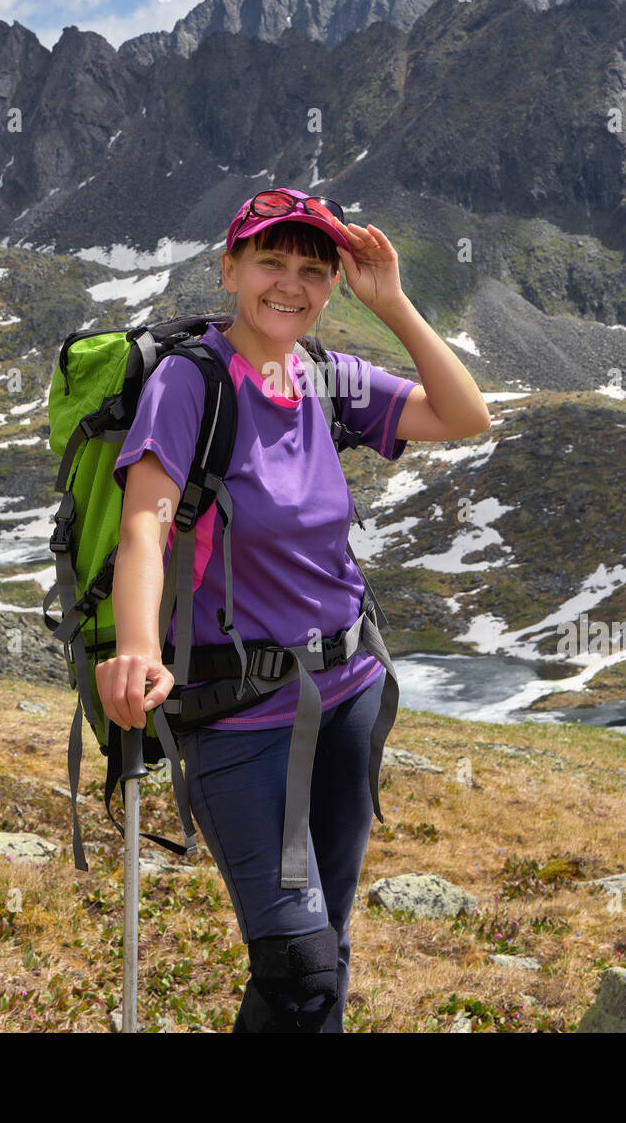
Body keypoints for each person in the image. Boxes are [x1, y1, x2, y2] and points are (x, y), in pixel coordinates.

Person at [98, 189, 491, 1032]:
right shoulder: (191, 382)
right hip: (239, 719)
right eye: (271, 263)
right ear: (231, 267)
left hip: (347, 696)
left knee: (326, 950)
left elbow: (465, 415)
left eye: (313, 271)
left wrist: (392, 304)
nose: (292, 285)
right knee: (301, 965)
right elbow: (144, 524)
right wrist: (136, 648)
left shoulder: (323, 375)